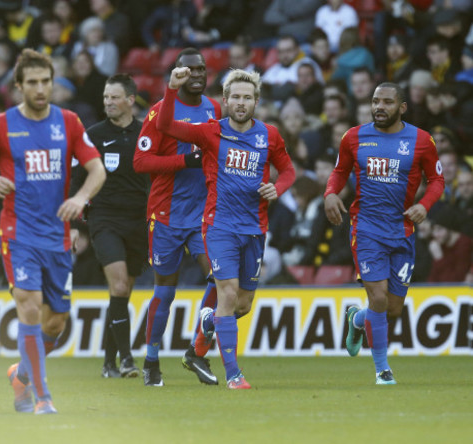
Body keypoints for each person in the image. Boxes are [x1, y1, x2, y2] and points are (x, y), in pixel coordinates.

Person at [0, 49, 105, 414]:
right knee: (28, 307)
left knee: (55, 322)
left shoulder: (69, 122)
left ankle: (20, 374)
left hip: (57, 236)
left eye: (46, 81)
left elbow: (98, 170)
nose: (41, 89)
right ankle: (43, 398)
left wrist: (81, 199)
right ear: (19, 86)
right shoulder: (1, 125)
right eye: (33, 83)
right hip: (18, 233)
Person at [156, 66, 295, 389]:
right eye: (236, 97)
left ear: (256, 101)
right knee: (228, 293)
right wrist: (171, 89)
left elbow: (287, 171)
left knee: (241, 305)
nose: (241, 103)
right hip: (219, 226)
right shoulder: (209, 132)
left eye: (248, 97)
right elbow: (164, 125)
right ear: (226, 100)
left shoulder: (269, 135)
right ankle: (234, 374)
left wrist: (278, 188)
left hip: (255, 229)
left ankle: (206, 329)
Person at [324, 82, 445, 385]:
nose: (379, 107)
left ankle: (355, 319)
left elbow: (437, 180)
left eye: (387, 102)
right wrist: (330, 193)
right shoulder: (354, 137)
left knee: (392, 307)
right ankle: (382, 370)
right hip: (365, 227)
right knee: (378, 298)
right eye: (376, 101)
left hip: (402, 229)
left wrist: (425, 206)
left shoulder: (421, 140)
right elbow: (340, 172)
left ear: (402, 107)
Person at [133, 48, 221, 387]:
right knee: (165, 293)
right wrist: (185, 163)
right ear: (177, 74)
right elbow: (141, 163)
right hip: (166, 215)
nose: (197, 75)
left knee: (218, 278)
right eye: (190, 70)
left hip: (203, 216)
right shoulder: (159, 111)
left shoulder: (213, 108)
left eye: (202, 70)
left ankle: (197, 350)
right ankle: (152, 359)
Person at [76, 73, 148, 378]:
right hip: (105, 218)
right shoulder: (92, 135)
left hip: (139, 221)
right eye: (105, 98)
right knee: (118, 285)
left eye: (114, 97)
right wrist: (74, 219)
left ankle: (108, 363)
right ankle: (128, 359)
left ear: (130, 100)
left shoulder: (147, 134)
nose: (108, 102)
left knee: (122, 293)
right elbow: (77, 178)